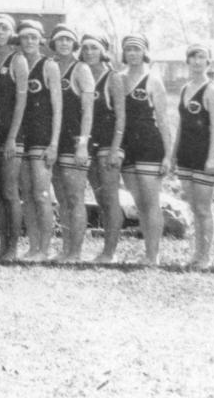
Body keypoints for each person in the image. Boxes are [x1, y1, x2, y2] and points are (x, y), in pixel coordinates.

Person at [119, 34, 172, 265]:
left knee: (151, 201)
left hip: (150, 145)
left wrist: (168, 155)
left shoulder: (153, 79)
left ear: (144, 52)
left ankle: (153, 255)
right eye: (128, 50)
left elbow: (163, 119)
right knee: (139, 202)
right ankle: (147, 251)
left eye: (136, 50)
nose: (132, 54)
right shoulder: (119, 78)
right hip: (128, 146)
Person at [171, 44, 214, 269]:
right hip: (186, 153)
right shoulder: (185, 88)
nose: (196, 61)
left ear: (208, 62)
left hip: (204, 154)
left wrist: (212, 157)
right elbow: (182, 124)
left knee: (203, 208)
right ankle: (196, 254)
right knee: (193, 207)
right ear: (187, 62)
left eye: (201, 57)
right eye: (192, 57)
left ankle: (205, 256)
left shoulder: (212, 89)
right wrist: (174, 153)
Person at [16, 19, 61, 261]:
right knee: (28, 194)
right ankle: (33, 246)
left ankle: (46, 248)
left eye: (34, 37)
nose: (29, 42)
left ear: (41, 40)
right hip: (22, 138)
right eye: (25, 38)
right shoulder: (19, 63)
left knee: (42, 194)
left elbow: (58, 108)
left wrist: (54, 143)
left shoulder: (48, 66)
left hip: (42, 139)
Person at [49, 24, 94, 262]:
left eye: (68, 40)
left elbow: (88, 111)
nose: (64, 43)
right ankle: (65, 248)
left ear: (74, 44)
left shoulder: (81, 69)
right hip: (56, 140)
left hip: (75, 140)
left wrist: (83, 143)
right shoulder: (52, 66)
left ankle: (76, 251)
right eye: (60, 40)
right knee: (62, 197)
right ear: (54, 43)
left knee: (75, 197)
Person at [81, 34, 125, 263]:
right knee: (100, 198)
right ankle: (104, 250)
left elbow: (121, 116)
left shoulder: (112, 77)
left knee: (110, 198)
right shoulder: (81, 73)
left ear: (103, 51)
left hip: (108, 144)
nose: (89, 52)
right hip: (88, 143)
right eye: (85, 48)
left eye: (94, 48)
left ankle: (110, 252)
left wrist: (116, 148)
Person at [0, 14, 27, 262]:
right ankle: (2, 245)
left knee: (10, 192)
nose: (0, 31)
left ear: (11, 32)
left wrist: (12, 137)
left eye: (5, 28)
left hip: (13, 135)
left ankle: (13, 247)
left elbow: (21, 103)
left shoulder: (18, 60)